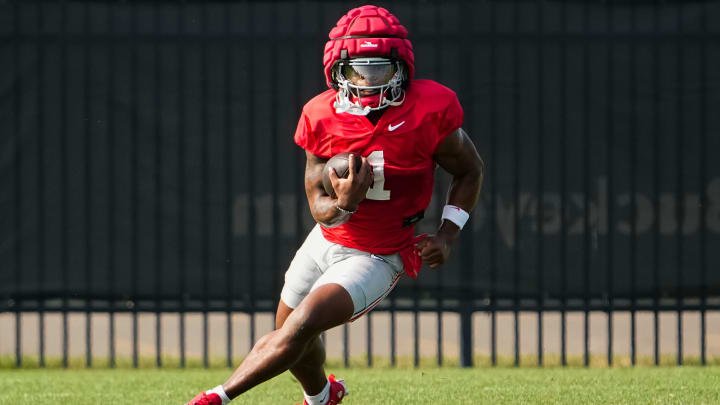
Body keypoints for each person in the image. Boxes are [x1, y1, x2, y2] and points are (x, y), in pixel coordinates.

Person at [187, 5, 484, 405]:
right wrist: (344, 203)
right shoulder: (320, 114)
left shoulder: (430, 109)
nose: (368, 81)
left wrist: (448, 235)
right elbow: (318, 205)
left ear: (401, 69)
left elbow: (470, 170)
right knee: (291, 335)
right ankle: (322, 397)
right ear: (338, 71)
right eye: (358, 70)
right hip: (327, 238)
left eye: (380, 69)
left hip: (379, 253)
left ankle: (216, 397)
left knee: (299, 327)